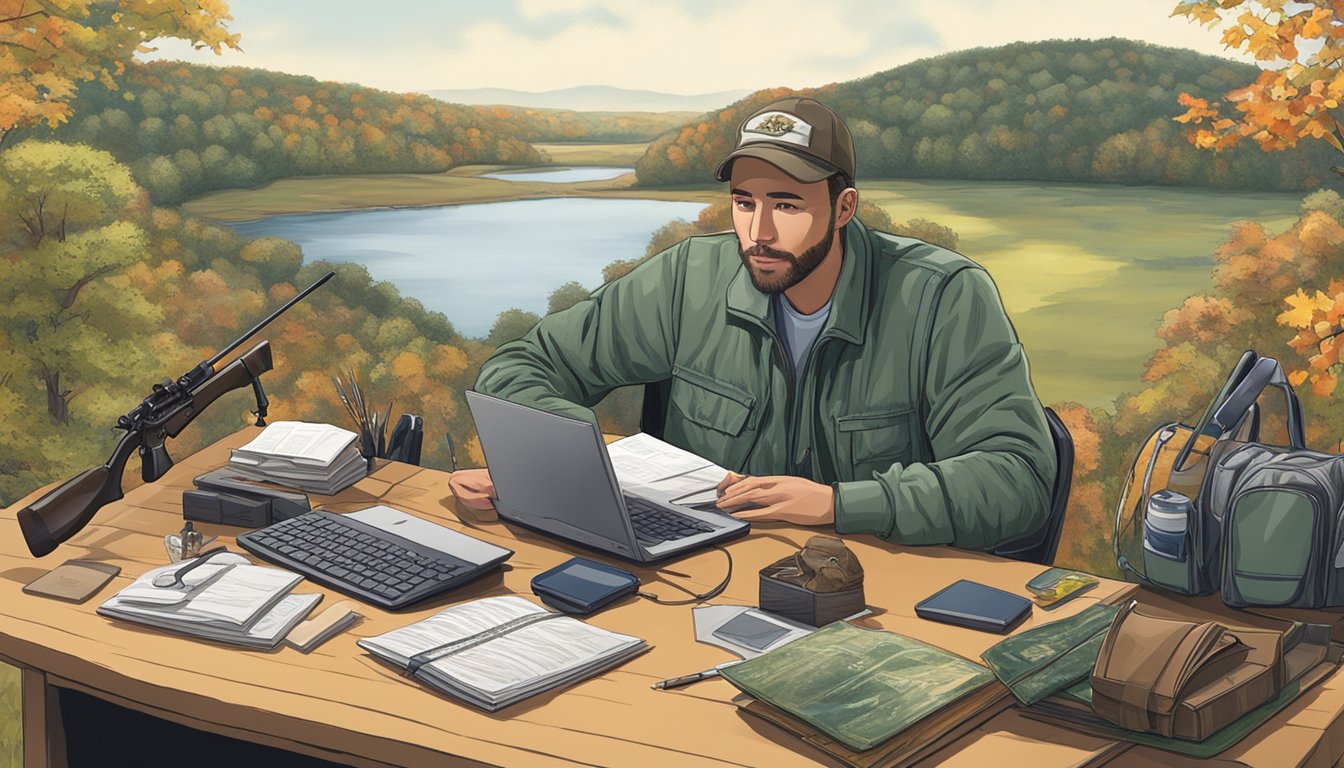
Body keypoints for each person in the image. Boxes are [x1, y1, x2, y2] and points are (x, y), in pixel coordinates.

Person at [450, 96, 1057, 550]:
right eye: (746, 203)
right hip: (706, 575)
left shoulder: (943, 298)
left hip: (875, 595)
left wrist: (840, 505)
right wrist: (559, 466)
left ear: (843, 208)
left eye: (787, 205)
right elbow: (523, 365)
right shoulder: (688, 278)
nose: (758, 233)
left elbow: (1017, 481)